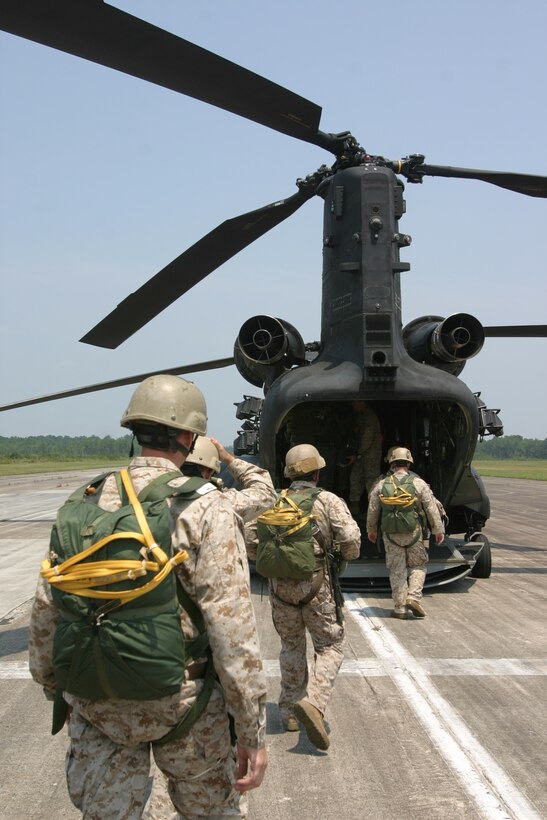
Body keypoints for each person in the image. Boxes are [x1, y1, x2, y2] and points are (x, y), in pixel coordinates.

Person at [28, 374, 268, 819]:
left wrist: (54, 684)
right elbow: (233, 631)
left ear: (135, 432)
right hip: (183, 703)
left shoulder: (84, 501)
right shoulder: (206, 506)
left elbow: (48, 604)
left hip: (97, 696)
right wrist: (251, 728)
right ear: (188, 435)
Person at [145, 433, 276, 820]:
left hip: (111, 689)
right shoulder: (217, 505)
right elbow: (264, 491)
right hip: (188, 693)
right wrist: (229, 457)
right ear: (207, 469)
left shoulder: (113, 502)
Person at [248, 443, 360, 751]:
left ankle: (289, 713)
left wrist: (274, 563)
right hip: (317, 587)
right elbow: (350, 538)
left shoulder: (273, 501)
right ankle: (315, 702)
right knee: (331, 646)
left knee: (291, 646)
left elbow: (249, 539)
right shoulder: (327, 501)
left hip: (280, 591)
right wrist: (342, 556)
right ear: (317, 471)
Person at [366, 446, 445, 619]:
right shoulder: (418, 483)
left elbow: (372, 510)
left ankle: (400, 608)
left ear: (392, 463)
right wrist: (438, 529)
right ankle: (413, 597)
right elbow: (431, 508)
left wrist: (371, 530)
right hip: (414, 533)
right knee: (418, 565)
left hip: (390, 535)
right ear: (409, 463)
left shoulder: (381, 484)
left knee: (397, 570)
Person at [181, 434, 277, 522]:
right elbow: (267, 493)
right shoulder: (221, 503)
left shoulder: (167, 499)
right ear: (209, 472)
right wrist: (228, 458)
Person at [348, 400, 382, 518]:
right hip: (361, 455)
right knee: (355, 478)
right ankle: (355, 510)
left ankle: (373, 514)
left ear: (362, 403)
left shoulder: (370, 418)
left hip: (370, 456)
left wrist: (357, 454)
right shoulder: (360, 416)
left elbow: (367, 438)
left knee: (371, 483)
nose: (353, 406)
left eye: (355, 403)